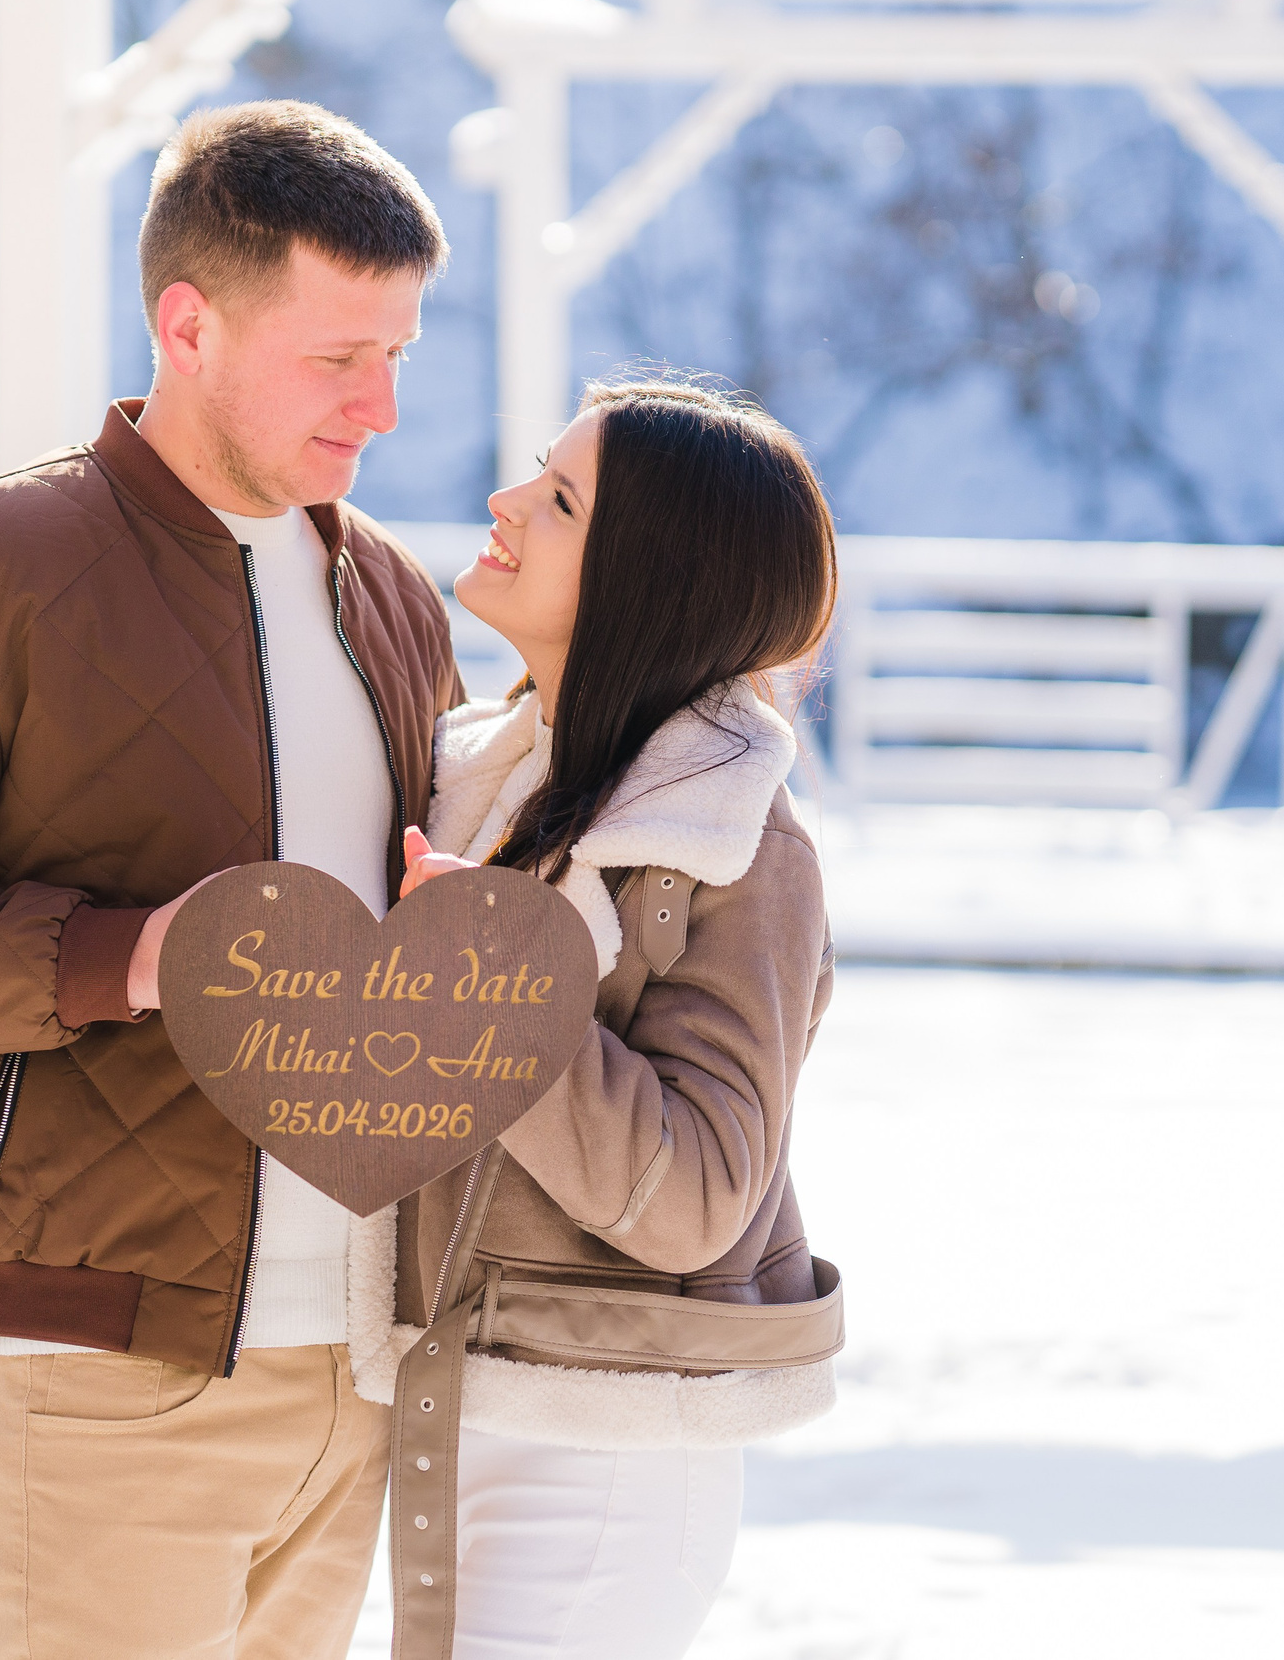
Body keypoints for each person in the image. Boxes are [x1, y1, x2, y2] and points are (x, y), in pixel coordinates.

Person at [0, 100, 460, 1659]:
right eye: (341, 358)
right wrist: (134, 957)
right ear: (188, 324)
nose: (384, 406)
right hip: (96, 1377)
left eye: (402, 352)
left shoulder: (394, 597)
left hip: (352, 1377)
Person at [380, 377, 847, 1660]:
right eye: (540, 469)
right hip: (456, 1397)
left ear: (653, 576)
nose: (506, 499)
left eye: (563, 497)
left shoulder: (738, 850)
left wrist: (489, 986)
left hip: (609, 1455)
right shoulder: (491, 783)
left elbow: (698, 1194)